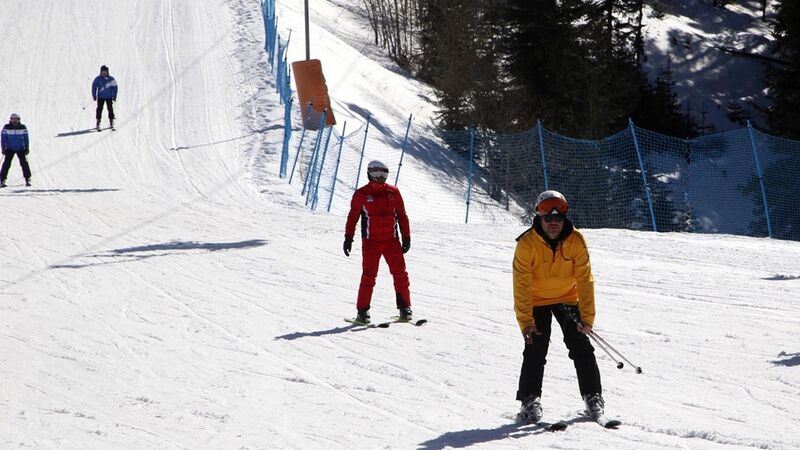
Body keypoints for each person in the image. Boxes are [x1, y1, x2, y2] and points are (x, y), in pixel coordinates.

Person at [513, 190, 605, 423]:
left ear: (564, 218)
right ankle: (530, 401)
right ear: (539, 218)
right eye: (548, 219)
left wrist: (587, 317)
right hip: (537, 300)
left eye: (558, 218)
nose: (553, 223)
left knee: (581, 348)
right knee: (535, 349)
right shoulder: (526, 244)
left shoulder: (576, 240)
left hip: (567, 298)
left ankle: (593, 397)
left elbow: (585, 279)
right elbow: (521, 284)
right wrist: (526, 321)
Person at [343, 160, 412, 323]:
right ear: (369, 174)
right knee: (369, 276)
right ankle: (363, 312)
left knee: (400, 274)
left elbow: (402, 216)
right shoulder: (362, 194)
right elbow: (352, 217)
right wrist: (348, 237)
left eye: (384, 173)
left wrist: (406, 236)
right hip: (371, 243)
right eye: (376, 173)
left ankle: (405, 309)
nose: (380, 177)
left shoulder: (393, 192)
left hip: (391, 241)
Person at [1, 113, 32, 187]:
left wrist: (27, 147)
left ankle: (28, 179)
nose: (14, 121)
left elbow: (26, 138)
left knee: (24, 163)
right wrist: (3, 147)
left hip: (20, 148)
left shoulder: (22, 127)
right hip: (9, 148)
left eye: (16, 119)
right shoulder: (6, 127)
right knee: (6, 164)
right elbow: (3, 138)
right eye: (12, 119)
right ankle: (2, 179)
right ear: (10, 120)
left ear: (19, 120)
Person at [91, 65, 118, 130]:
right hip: (101, 97)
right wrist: (94, 95)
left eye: (105, 72)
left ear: (107, 72)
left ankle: (111, 121)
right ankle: (98, 121)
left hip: (109, 97)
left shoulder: (111, 79)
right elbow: (94, 86)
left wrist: (114, 95)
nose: (104, 73)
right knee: (99, 109)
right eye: (102, 72)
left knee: (110, 109)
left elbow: (115, 87)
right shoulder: (98, 79)